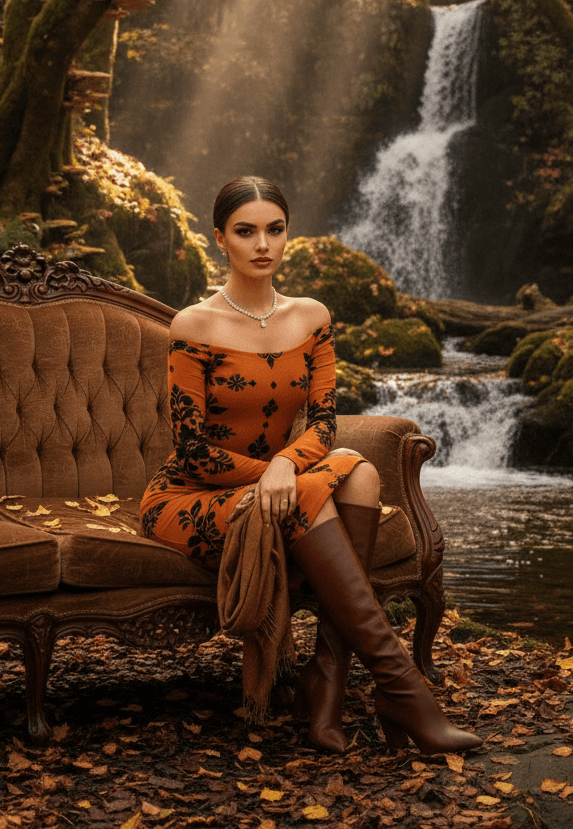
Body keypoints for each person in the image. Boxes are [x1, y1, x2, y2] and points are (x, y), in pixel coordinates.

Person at [141, 175, 480, 755]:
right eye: (245, 232)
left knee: (364, 473)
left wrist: (282, 468)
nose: (262, 244)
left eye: (275, 229)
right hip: (191, 497)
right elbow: (193, 448)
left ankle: (326, 683)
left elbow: (324, 425)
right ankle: (401, 687)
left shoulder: (312, 316)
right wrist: (276, 473)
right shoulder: (193, 325)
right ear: (220, 239)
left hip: (281, 485)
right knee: (314, 490)